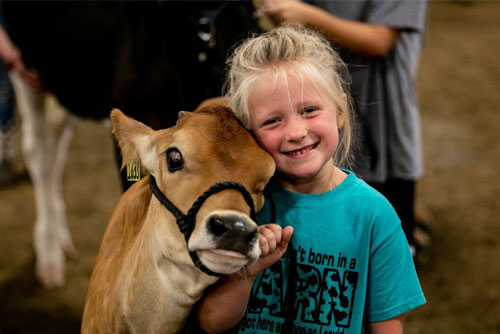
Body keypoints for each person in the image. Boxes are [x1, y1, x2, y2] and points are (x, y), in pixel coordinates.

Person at [195, 24, 425, 334]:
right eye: (272, 121)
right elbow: (210, 322)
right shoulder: (239, 209)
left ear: (340, 109)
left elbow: (387, 327)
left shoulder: (375, 216)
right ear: (249, 130)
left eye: (310, 110)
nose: (296, 133)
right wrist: (247, 274)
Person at [262, 0, 429, 255]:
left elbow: (380, 41)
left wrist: (307, 16)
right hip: (320, 96)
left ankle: (401, 248)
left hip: (380, 107)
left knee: (386, 202)